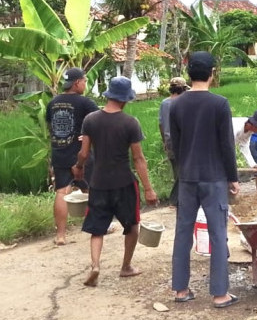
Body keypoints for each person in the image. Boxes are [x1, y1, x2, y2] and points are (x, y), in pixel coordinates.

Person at [169, 51, 240, 308]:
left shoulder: (175, 105)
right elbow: (226, 145)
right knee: (218, 234)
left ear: (189, 74)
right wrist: (233, 177)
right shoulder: (219, 104)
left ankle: (180, 289)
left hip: (187, 178)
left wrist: (181, 173)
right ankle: (220, 294)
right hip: (214, 178)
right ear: (212, 73)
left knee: (183, 232)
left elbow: (174, 145)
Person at [72, 76, 158, 287]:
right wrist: (148, 189)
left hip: (99, 182)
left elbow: (83, 153)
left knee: (97, 228)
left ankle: (95, 265)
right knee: (132, 226)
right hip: (124, 183)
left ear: (109, 94)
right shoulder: (130, 123)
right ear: (125, 99)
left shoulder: (90, 120)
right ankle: (126, 266)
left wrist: (79, 169)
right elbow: (138, 159)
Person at [45, 67, 99, 245]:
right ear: (77, 83)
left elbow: (50, 126)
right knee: (91, 190)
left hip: (59, 152)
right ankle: (99, 227)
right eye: (84, 81)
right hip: (80, 154)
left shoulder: (53, 103)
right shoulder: (85, 103)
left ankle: (60, 236)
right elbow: (100, 122)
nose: (85, 83)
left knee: (62, 192)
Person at [158, 77, 190, 207]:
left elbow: (161, 124)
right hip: (182, 141)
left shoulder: (164, 103)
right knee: (183, 173)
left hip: (169, 141)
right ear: (182, 89)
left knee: (177, 171)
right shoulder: (184, 103)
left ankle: (180, 199)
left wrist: (164, 141)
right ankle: (175, 200)